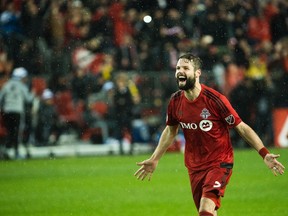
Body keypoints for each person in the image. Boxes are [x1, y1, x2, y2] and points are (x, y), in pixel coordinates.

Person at [134, 53, 285, 216]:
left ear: (197, 73)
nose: (180, 71)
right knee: (209, 212)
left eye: (185, 68)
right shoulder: (175, 101)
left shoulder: (215, 100)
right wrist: (155, 158)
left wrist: (264, 153)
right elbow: (171, 130)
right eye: (178, 68)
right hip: (194, 166)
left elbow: (241, 127)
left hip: (219, 162)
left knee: (205, 209)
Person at [0, 67, 34, 159]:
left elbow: (0, 98)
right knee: (16, 133)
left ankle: (5, 151)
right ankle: (16, 153)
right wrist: (34, 93)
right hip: (17, 112)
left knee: (8, 132)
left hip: (7, 111)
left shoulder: (6, 85)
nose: (25, 79)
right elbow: (28, 99)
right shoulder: (21, 86)